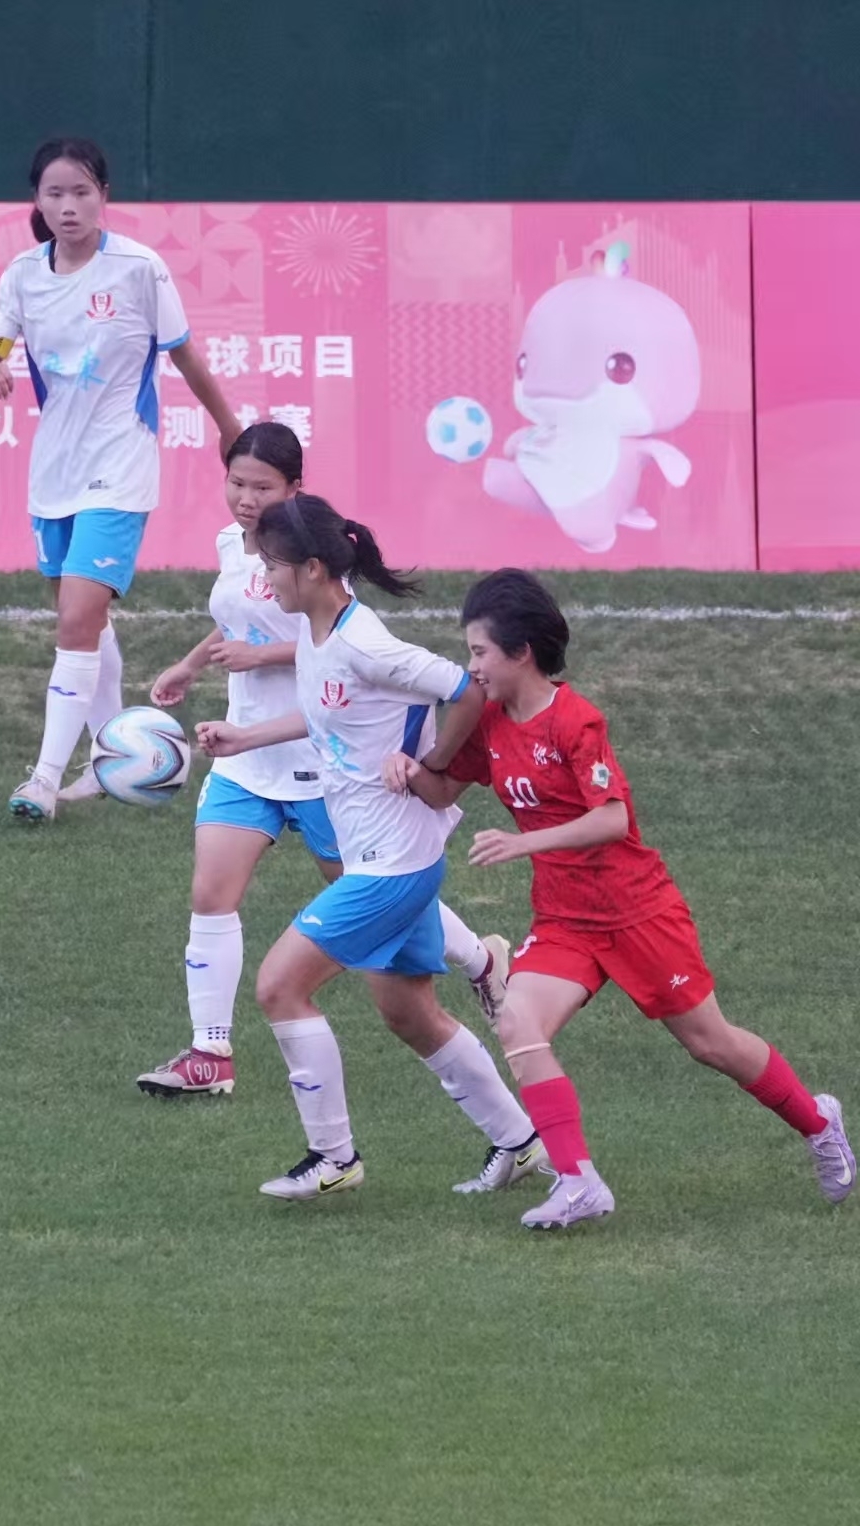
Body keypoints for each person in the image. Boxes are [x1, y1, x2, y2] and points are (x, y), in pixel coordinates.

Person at [385, 567, 855, 1227]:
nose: (472, 666)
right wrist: (408, 772)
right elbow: (441, 789)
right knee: (518, 1021)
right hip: (565, 920)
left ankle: (818, 1121)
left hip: (638, 913)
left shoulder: (576, 721)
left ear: (521, 652)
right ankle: (579, 1182)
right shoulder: (489, 723)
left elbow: (612, 819)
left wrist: (523, 843)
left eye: (480, 651)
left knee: (711, 1043)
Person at [137, 427, 511, 1102]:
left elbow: (330, 646)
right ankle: (209, 1051)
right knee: (211, 893)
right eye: (237, 483)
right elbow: (240, 618)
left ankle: (482, 958)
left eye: (262, 487)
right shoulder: (233, 547)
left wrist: (261, 656)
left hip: (323, 761)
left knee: (377, 896)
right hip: (247, 754)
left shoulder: (314, 562)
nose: (246, 499)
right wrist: (192, 664)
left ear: (294, 490)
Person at [196, 495, 546, 1200]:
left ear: (313, 568)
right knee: (409, 1014)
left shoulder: (367, 644)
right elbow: (328, 713)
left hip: (394, 866)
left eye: (274, 566)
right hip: (376, 857)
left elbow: (469, 689)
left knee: (279, 986)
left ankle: (333, 1157)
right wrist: (246, 737)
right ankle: (521, 1143)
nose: (266, 579)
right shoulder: (319, 632)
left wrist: (432, 768)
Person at [0, 136, 243, 820]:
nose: (68, 206)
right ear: (36, 201)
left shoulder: (139, 268)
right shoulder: (23, 275)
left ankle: (42, 780)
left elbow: (185, 356)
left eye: (81, 192)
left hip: (120, 465)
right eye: (54, 193)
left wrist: (230, 428)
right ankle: (107, 756)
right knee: (84, 619)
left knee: (76, 618)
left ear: (104, 196)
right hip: (52, 473)